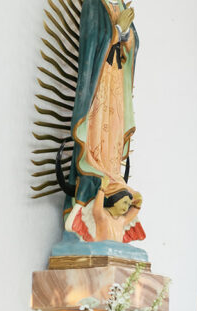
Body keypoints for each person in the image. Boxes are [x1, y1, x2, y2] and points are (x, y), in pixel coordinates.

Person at [64, 0, 140, 240]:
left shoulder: (120, 6)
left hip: (116, 83)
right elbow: (91, 42)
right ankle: (95, 173)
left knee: (114, 130)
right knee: (96, 128)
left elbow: (133, 46)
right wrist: (116, 31)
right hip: (98, 83)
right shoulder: (95, 4)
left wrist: (126, 34)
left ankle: (111, 175)